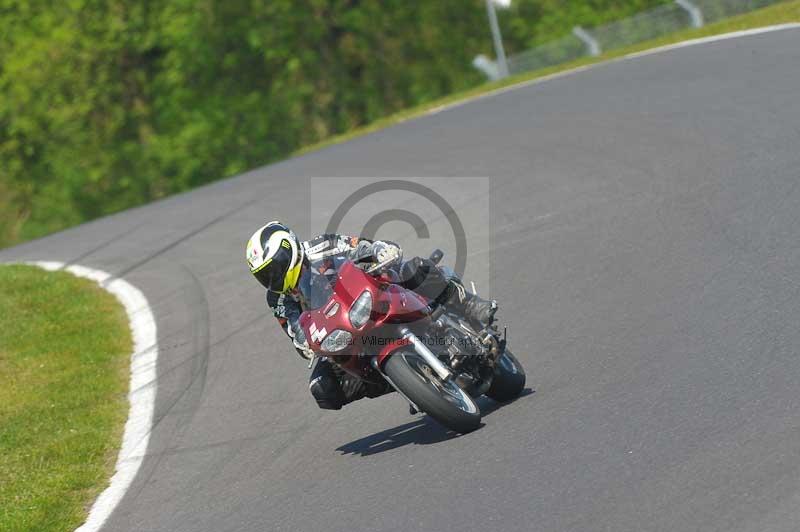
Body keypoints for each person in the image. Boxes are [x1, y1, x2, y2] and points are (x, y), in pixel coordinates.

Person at [245, 221, 496, 410]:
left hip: (371, 295)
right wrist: (307, 344)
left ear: (289, 251)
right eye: (264, 276)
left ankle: (469, 304)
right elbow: (295, 332)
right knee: (322, 387)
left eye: (274, 269)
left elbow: (362, 245)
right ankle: (408, 381)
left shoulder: (322, 246)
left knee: (413, 269)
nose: (272, 279)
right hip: (343, 329)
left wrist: (379, 252)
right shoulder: (277, 298)